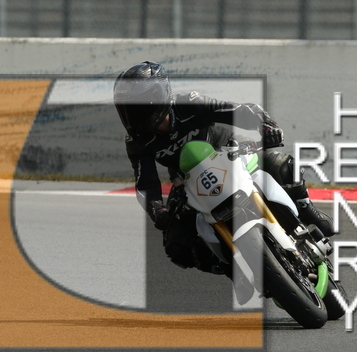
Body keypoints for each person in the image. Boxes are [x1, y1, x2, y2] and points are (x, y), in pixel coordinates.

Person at [113, 61, 333, 274]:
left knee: (282, 165)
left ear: (156, 97)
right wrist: (156, 209)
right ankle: (230, 267)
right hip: (188, 180)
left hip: (229, 151)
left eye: (136, 108)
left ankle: (306, 210)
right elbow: (146, 182)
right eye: (126, 110)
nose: (132, 117)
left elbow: (238, 111)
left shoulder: (188, 103)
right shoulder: (136, 141)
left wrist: (267, 125)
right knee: (176, 246)